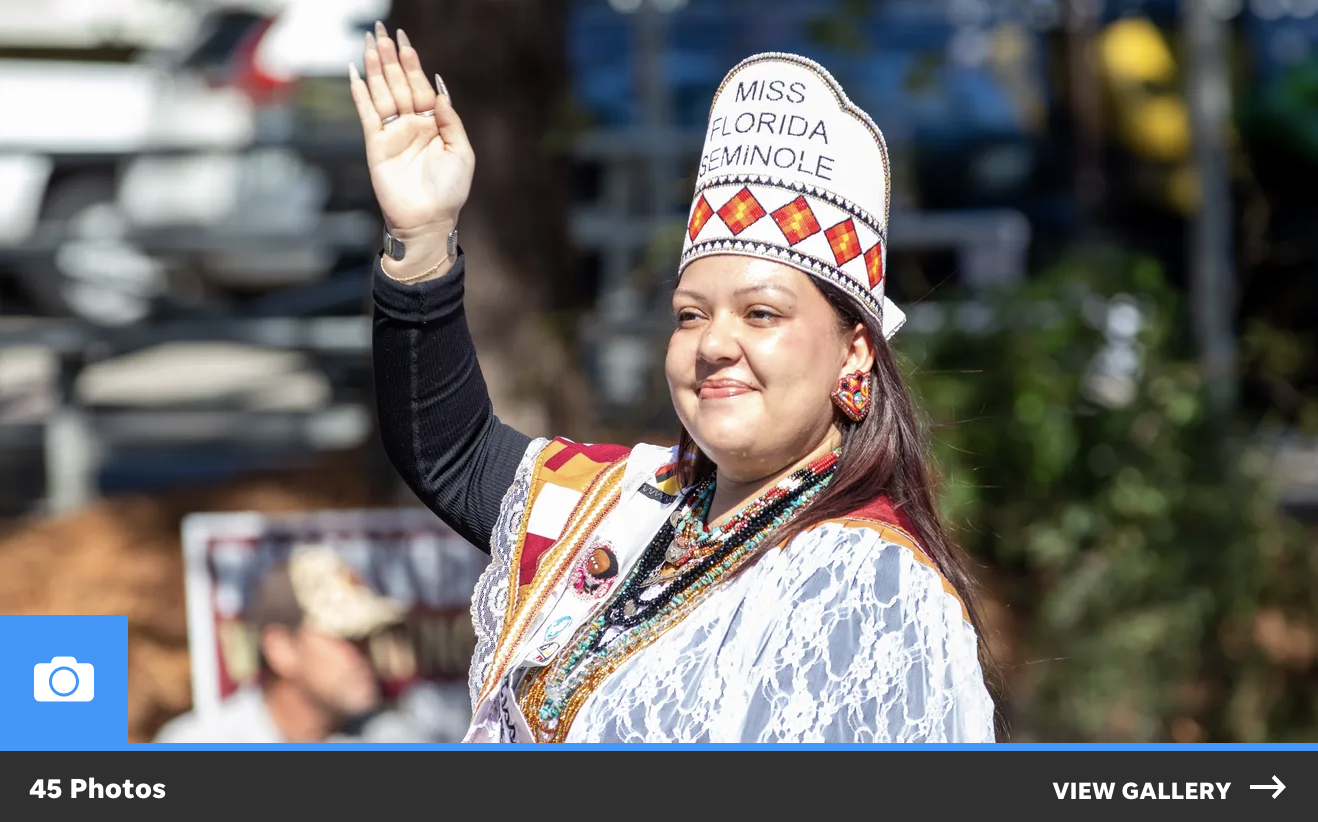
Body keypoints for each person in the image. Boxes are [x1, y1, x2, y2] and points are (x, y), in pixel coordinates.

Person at [354, 23, 996, 742]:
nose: (714, 344)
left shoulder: (872, 582)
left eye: (761, 313)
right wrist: (423, 235)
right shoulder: (628, 503)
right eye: (690, 315)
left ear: (855, 353)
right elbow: (454, 453)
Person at [155, 545, 429, 743]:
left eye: (368, 636)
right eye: (347, 636)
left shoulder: (395, 738)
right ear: (281, 649)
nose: (364, 653)